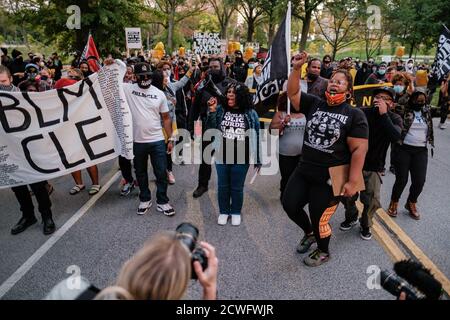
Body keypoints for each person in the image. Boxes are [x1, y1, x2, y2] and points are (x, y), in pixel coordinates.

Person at [283, 51, 368, 267]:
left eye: (340, 82)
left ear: (348, 91)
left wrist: (352, 181)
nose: (334, 84)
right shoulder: (315, 103)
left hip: (330, 179)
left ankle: (323, 250)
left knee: (319, 217)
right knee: (289, 204)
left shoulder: (354, 114)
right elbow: (292, 93)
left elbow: (359, 149)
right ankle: (309, 233)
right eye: (332, 80)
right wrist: (295, 69)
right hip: (304, 169)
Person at [341, 87, 403, 240]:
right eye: (377, 97)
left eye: (385, 98)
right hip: (354, 163)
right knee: (347, 197)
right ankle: (351, 217)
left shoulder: (395, 118)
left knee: (371, 200)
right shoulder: (362, 112)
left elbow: (396, 137)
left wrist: (384, 115)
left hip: (374, 167)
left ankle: (365, 224)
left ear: (392, 104)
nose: (379, 100)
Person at [0, 65, 56, 235]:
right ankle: (28, 215)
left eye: (3, 81)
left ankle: (47, 216)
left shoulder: (24, 96)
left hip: (28, 149)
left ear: (10, 79)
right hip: (8, 152)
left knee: (37, 184)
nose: (1, 85)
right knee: (17, 185)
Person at [120, 61, 176, 216]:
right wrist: (114, 64)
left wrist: (170, 138)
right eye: (141, 76)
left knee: (160, 172)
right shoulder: (128, 89)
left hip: (157, 139)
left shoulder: (159, 94)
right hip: (137, 141)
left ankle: (162, 201)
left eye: (147, 75)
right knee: (141, 172)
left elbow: (166, 118)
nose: (145, 77)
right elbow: (111, 80)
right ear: (135, 77)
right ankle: (145, 199)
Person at [206, 82, 261, 226]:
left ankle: (235, 211)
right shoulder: (220, 109)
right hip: (221, 155)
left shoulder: (251, 113)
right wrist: (211, 111)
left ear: (241, 96)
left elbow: (256, 136)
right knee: (223, 186)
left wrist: (258, 159)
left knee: (237, 187)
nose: (230, 94)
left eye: (234, 92)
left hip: (242, 157)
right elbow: (210, 128)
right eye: (228, 91)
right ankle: (224, 211)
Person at [189, 58, 236, 198]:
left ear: (222, 67)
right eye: (210, 67)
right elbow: (194, 108)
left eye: (216, 66)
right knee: (205, 158)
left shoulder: (231, 84)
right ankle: (202, 185)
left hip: (226, 127)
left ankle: (229, 185)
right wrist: (191, 127)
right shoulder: (203, 85)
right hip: (207, 127)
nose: (213, 69)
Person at [387, 88, 434, 220]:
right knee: (402, 180)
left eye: (422, 100)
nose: (420, 102)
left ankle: (411, 202)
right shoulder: (403, 109)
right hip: (404, 149)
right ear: (411, 99)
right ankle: (394, 202)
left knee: (419, 181)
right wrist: (409, 91)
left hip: (421, 150)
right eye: (417, 99)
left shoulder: (427, 111)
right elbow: (397, 103)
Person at [54, 69, 102, 196]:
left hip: (83, 127)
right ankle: (79, 183)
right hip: (68, 129)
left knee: (88, 156)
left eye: (74, 77)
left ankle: (95, 183)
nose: (69, 79)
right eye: (68, 76)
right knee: (72, 158)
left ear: (80, 79)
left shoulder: (86, 92)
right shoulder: (61, 91)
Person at [269, 92, 306, 200]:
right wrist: (283, 123)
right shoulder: (281, 114)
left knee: (299, 177)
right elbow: (272, 131)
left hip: (302, 153)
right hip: (286, 153)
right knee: (287, 176)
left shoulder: (305, 113)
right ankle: (284, 195)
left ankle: (296, 196)